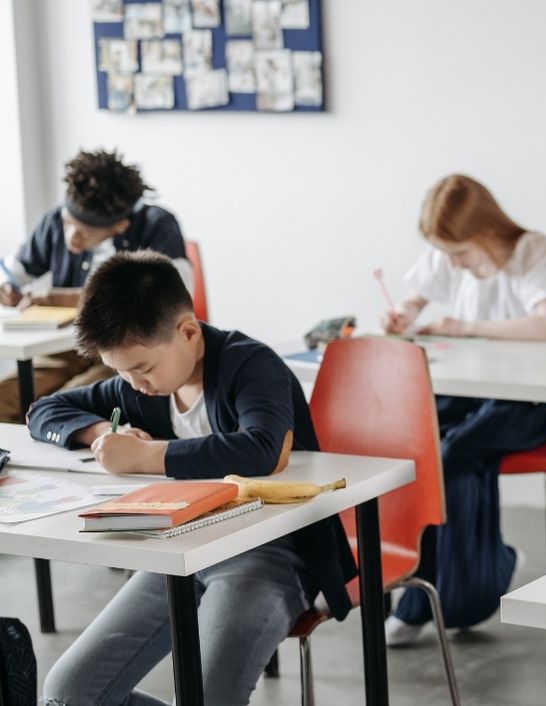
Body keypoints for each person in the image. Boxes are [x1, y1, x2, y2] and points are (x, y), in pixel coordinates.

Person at [29, 251, 355, 706]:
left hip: (268, 552)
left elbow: (260, 448)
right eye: (120, 371)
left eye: (141, 368)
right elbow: (44, 410)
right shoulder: (140, 385)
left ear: (188, 332)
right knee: (69, 692)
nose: (132, 384)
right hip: (180, 549)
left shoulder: (251, 365)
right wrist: (102, 430)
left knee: (209, 696)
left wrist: (147, 456)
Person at [380, 174, 546, 646]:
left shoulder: (532, 251)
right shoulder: (451, 254)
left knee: (455, 452)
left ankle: (437, 598)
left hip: (529, 403)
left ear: (486, 231)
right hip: (469, 394)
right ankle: (480, 573)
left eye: (460, 252)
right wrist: (403, 314)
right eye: (446, 253)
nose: (453, 263)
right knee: (415, 447)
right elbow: (414, 297)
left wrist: (467, 327)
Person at [0, 149, 192, 422]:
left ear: (120, 226)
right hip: (70, 347)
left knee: (61, 405)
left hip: (127, 351)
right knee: (6, 397)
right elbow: (12, 269)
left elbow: (175, 296)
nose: (71, 239)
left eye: (85, 232)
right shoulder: (54, 221)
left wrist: (60, 298)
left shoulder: (156, 225)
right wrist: (7, 286)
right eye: (68, 224)